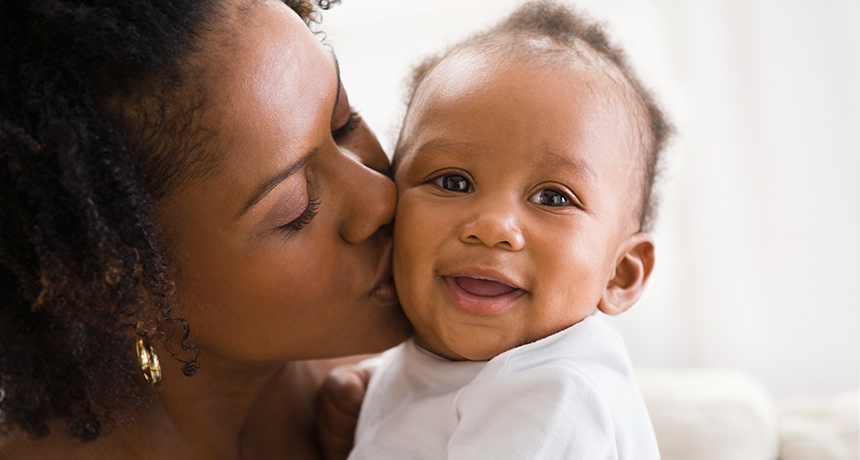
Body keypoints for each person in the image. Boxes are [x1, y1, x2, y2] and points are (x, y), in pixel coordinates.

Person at [0, 0, 410, 459]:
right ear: (115, 282)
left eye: (343, 121)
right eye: (296, 209)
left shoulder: (466, 366)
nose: (382, 198)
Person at [344, 1, 673, 458]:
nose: (493, 227)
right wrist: (376, 392)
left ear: (620, 273)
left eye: (553, 197)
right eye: (454, 182)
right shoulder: (445, 360)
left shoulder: (556, 393)